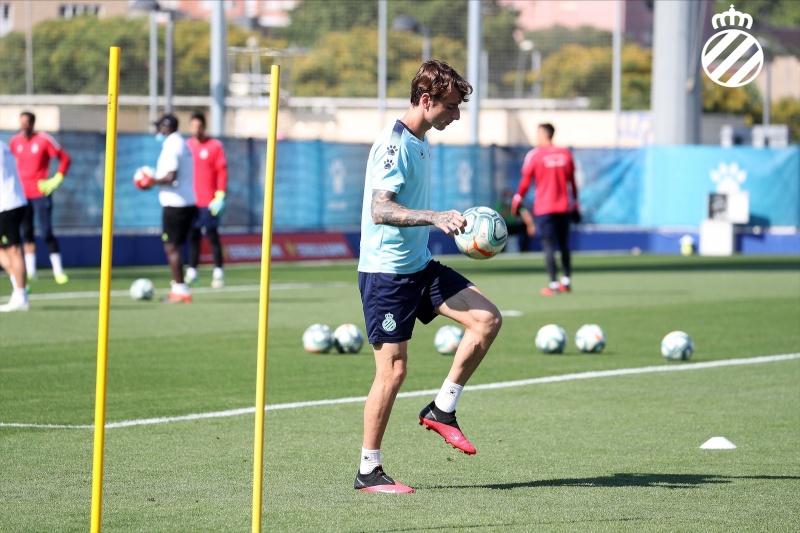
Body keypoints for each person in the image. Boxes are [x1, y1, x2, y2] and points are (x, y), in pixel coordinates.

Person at [354, 60, 503, 494]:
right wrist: (434, 217)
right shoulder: (394, 144)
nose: (456, 115)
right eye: (451, 106)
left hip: (419, 266)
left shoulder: (420, 141)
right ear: (426, 100)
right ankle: (368, 471)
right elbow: (380, 209)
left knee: (487, 319)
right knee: (393, 372)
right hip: (386, 275)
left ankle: (442, 409)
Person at [512, 123, 579, 296]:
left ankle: (553, 284)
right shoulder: (565, 154)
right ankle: (566, 281)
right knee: (564, 244)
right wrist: (576, 203)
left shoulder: (535, 155)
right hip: (564, 206)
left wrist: (517, 198)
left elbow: (526, 181)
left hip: (545, 208)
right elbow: (572, 181)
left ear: (543, 134)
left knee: (548, 246)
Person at [9, 111, 71, 284]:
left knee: (46, 232)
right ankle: (31, 272)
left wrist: (56, 179)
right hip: (22, 195)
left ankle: (58, 271)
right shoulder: (14, 142)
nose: (24, 125)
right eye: (21, 122)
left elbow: (65, 159)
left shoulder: (44, 140)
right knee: (26, 232)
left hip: (41, 193)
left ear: (33, 123)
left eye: (27, 122)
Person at [141, 114, 197, 303]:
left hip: (175, 204)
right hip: (185, 202)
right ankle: (179, 287)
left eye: (159, 126)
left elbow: (170, 177)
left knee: (171, 247)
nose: (157, 130)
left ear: (167, 127)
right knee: (176, 246)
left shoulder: (173, 145)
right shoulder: (180, 143)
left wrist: (150, 180)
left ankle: (180, 290)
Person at [185, 111, 228, 289]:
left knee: (212, 235)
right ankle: (192, 272)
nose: (197, 130)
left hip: (209, 201)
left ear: (204, 127)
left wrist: (220, 194)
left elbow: (221, 171)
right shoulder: (186, 146)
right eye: (193, 126)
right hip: (190, 201)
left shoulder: (214, 146)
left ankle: (218, 272)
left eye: (200, 126)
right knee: (193, 236)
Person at [0, 140, 30, 312]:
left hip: (7, 205)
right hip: (15, 201)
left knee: (14, 249)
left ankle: (21, 295)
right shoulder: (4, 145)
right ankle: (18, 285)